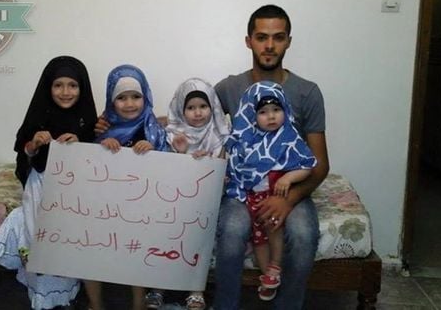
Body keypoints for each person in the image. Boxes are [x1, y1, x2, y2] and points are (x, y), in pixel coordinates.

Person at [213, 4, 329, 310]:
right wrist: (148, 122)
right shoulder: (229, 88)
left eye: (278, 37)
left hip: (287, 187)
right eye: (261, 37)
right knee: (232, 230)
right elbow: (193, 118)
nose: (269, 45)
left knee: (304, 235)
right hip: (243, 188)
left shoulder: (307, 92)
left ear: (289, 41)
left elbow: (320, 163)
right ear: (248, 40)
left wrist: (288, 200)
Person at [0, 56, 98, 309]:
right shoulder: (38, 117)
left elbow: (100, 162)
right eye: (58, 85)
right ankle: (42, 299)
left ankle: (69, 294)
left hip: (75, 198)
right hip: (41, 191)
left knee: (69, 243)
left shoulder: (90, 121)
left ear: (82, 88)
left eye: (73, 85)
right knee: (40, 238)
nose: (66, 92)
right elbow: (24, 157)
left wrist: (81, 144)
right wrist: (33, 145)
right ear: (48, 87)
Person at [84, 64, 168, 310]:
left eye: (136, 96)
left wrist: (153, 150)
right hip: (102, 207)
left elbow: (169, 166)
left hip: (139, 210)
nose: (129, 103)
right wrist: (101, 144)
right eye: (121, 98)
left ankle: (138, 304)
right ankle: (95, 304)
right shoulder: (102, 126)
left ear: (146, 96)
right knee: (89, 249)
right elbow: (86, 165)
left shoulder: (153, 128)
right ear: (111, 100)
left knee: (137, 253)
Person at [225, 81, 317, 302]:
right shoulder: (244, 139)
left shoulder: (290, 138)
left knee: (274, 227)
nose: (272, 116)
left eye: (277, 110)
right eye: (263, 112)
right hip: (252, 197)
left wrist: (288, 177)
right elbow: (234, 166)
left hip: (277, 196)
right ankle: (268, 275)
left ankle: (276, 265)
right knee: (258, 238)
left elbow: (307, 165)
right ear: (251, 114)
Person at [144, 77, 230, 310]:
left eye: (203, 106)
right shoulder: (172, 134)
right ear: (181, 110)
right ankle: (158, 289)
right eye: (190, 108)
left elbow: (218, 171)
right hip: (175, 201)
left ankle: (195, 290)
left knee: (200, 238)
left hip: (204, 202)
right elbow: (167, 171)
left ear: (212, 107)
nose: (198, 113)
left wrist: (209, 164)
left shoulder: (218, 136)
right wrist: (181, 154)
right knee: (165, 235)